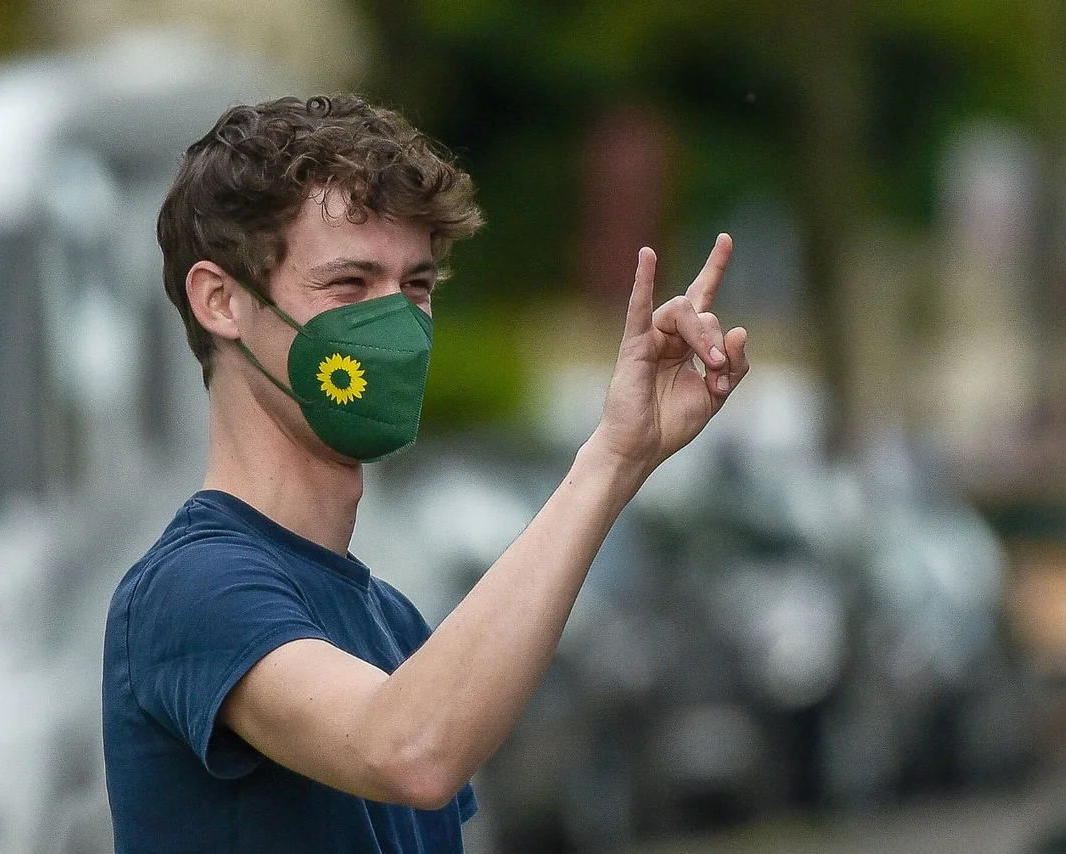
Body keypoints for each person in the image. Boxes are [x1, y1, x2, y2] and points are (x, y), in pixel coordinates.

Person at [101, 94, 749, 853]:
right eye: (348, 286)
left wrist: (627, 450)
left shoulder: (393, 621)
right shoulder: (193, 589)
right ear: (220, 302)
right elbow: (409, 749)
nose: (399, 327)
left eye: (415, 287)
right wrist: (610, 457)